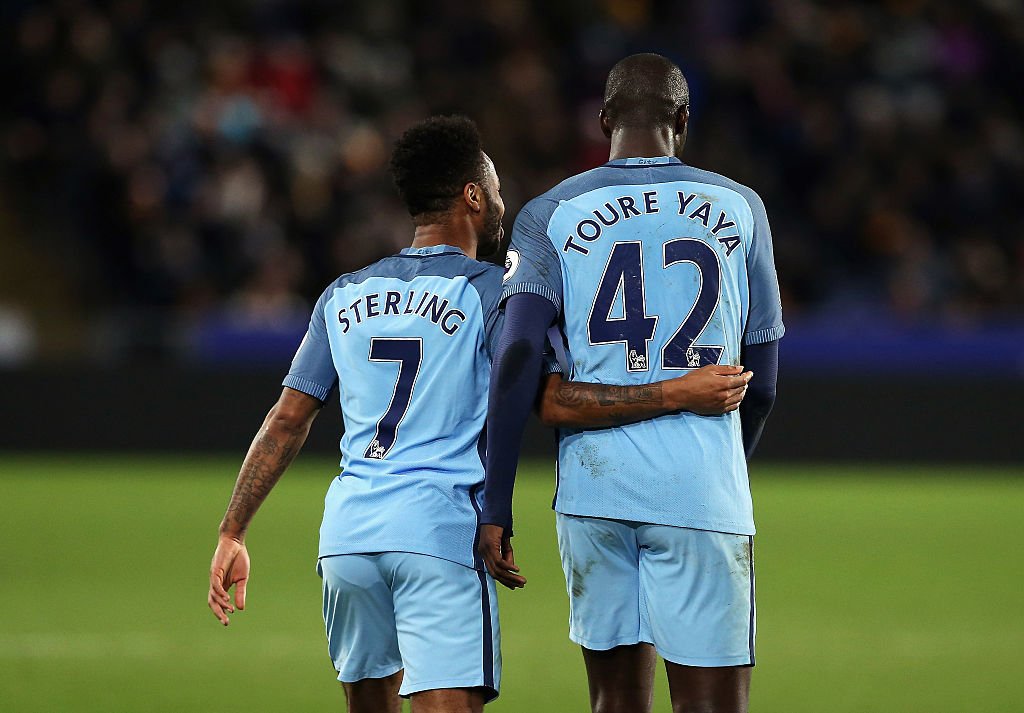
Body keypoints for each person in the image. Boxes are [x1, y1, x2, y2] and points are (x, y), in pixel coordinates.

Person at [206, 115, 753, 713]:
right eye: (492, 188)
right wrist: (677, 391)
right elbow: (549, 395)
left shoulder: (343, 293)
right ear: (472, 195)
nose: (500, 201)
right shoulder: (496, 293)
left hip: (346, 541)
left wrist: (233, 532)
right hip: (438, 534)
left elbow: (286, 420)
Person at [478, 54, 784, 713]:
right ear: (682, 119)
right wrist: (729, 460)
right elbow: (761, 383)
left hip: (594, 490)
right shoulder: (741, 207)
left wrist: (495, 501)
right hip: (700, 485)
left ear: (604, 120)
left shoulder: (550, 212)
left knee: (614, 702)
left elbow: (519, 351)